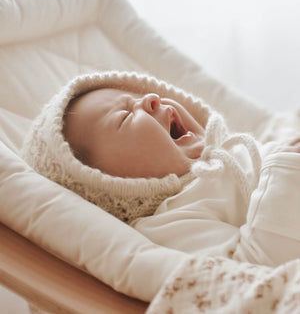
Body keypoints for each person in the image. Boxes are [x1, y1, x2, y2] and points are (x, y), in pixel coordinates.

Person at [22, 70, 300, 268]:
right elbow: (254, 268)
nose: (152, 98)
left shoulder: (231, 154)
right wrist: (285, 175)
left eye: (135, 96)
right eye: (125, 116)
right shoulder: (171, 222)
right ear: (107, 182)